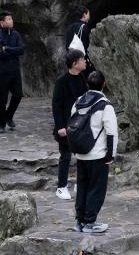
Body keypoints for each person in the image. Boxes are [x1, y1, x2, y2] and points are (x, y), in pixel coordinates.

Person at [72, 70, 117, 234]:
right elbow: (111, 132)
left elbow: (72, 126)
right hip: (98, 154)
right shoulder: (105, 105)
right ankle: (90, 223)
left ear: (87, 84)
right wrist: (111, 155)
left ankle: (79, 222)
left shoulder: (78, 102)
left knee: (82, 187)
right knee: (96, 189)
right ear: (104, 84)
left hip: (81, 153)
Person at [52, 49, 89, 201]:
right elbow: (56, 105)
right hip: (66, 125)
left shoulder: (82, 78)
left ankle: (80, 184)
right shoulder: (61, 81)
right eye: (82, 59)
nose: (85, 61)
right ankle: (61, 187)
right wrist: (60, 126)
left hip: (80, 124)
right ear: (74, 64)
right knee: (65, 156)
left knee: (82, 155)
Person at [0, 12, 25, 133]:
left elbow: (21, 49)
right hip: (1, 72)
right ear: (2, 23)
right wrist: (12, 51)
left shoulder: (16, 34)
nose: (11, 21)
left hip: (15, 70)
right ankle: (1, 124)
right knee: (2, 99)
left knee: (18, 95)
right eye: (8, 19)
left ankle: (8, 116)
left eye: (11, 18)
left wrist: (8, 48)